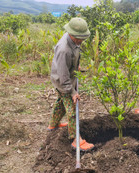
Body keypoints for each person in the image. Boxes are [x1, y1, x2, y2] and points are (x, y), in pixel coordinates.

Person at [48, 17, 94, 151]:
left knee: (61, 102)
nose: (82, 40)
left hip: (65, 77)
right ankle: (76, 139)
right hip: (63, 82)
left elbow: (74, 56)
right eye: (79, 38)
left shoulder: (73, 41)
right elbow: (63, 75)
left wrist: (76, 65)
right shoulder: (64, 49)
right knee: (72, 108)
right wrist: (72, 92)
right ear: (72, 34)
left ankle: (53, 124)